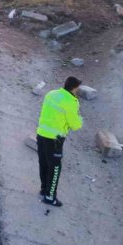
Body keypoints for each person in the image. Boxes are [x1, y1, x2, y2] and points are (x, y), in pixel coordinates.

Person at [35, 76, 84, 207]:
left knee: (44, 163)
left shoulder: (51, 94)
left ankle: (44, 189)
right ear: (74, 88)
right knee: (55, 168)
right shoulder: (71, 101)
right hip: (55, 140)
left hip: (41, 134)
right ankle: (50, 197)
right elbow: (75, 125)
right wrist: (80, 119)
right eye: (77, 88)